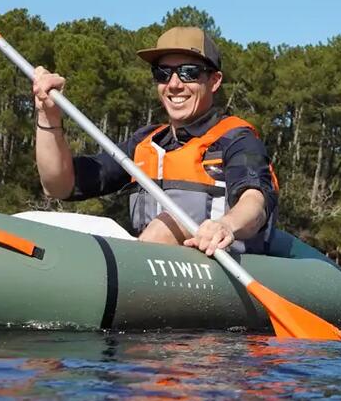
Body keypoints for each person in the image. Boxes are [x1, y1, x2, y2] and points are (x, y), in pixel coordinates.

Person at [30, 26, 279, 256]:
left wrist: (225, 225)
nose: (174, 84)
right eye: (163, 73)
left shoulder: (237, 140)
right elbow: (59, 185)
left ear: (214, 81)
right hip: (151, 266)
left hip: (220, 269)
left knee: (165, 226)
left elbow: (254, 200)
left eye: (189, 73)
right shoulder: (144, 143)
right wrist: (48, 114)